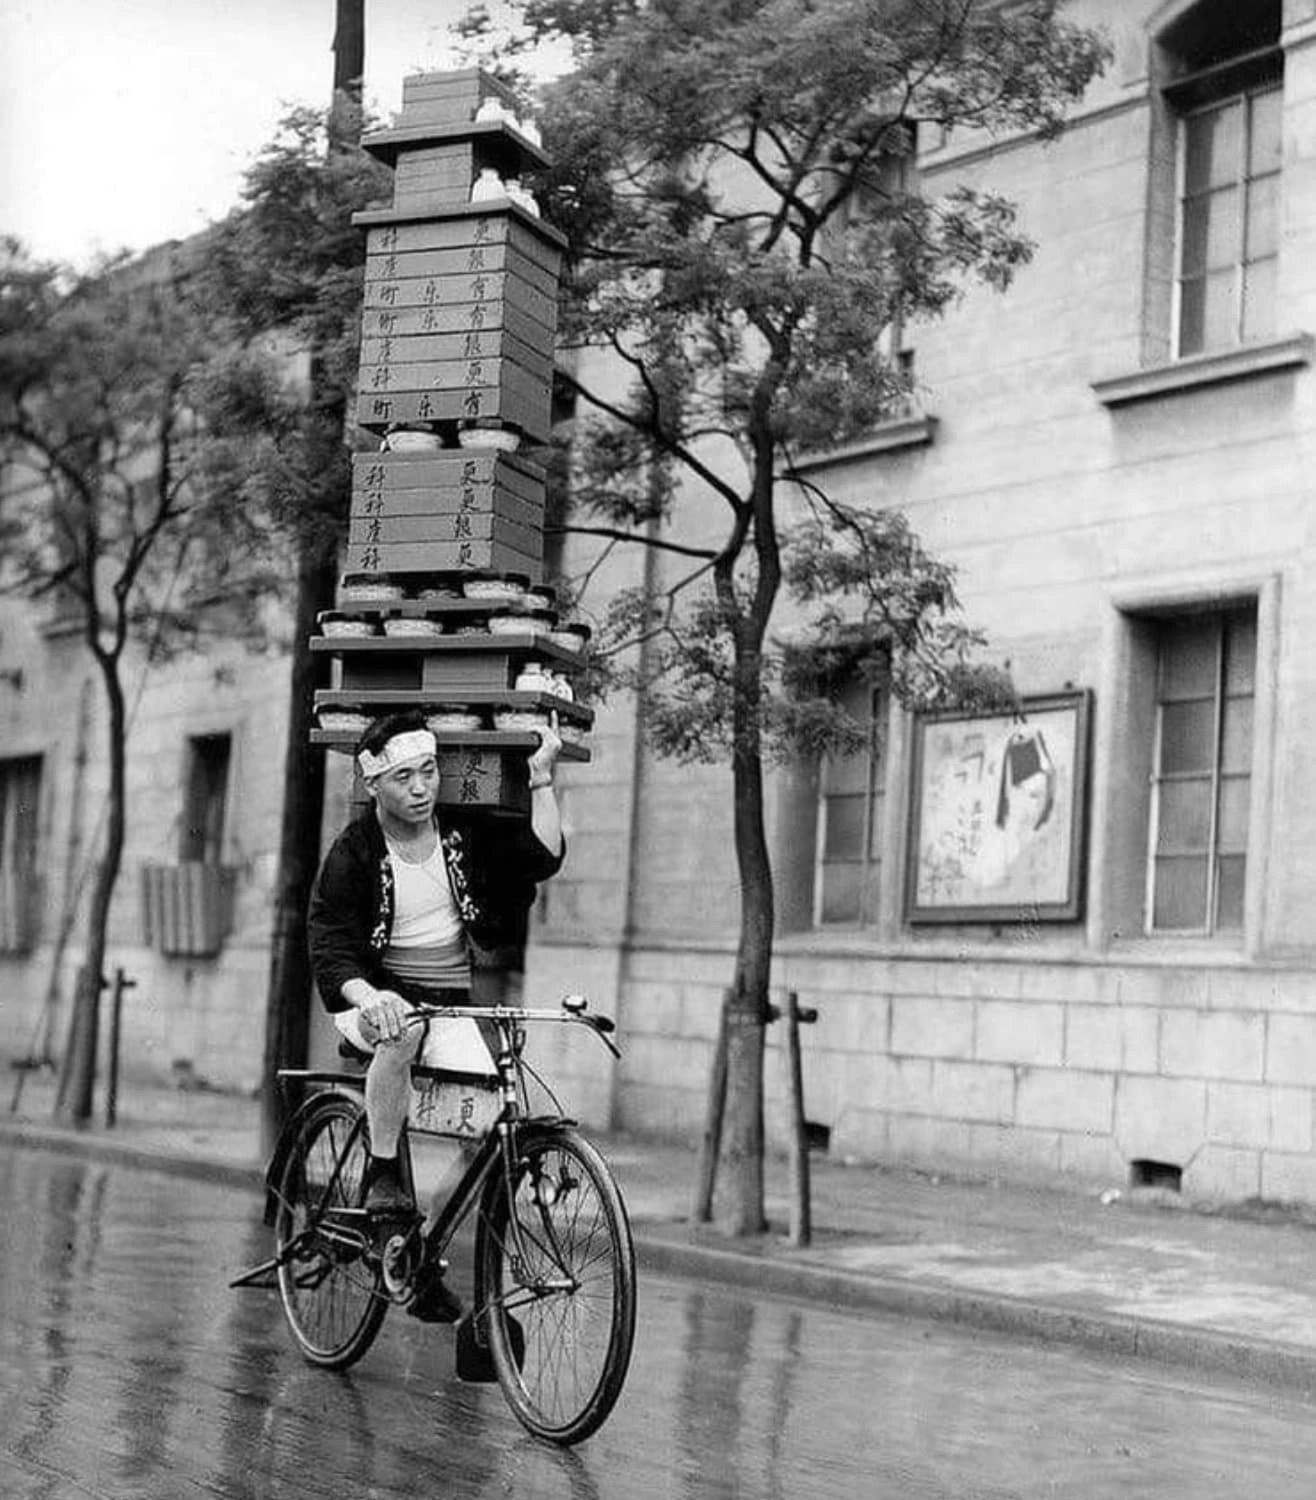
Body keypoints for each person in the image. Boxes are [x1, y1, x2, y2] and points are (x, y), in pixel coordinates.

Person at [307, 708, 564, 1314]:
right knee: (397, 1034)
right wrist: (371, 997)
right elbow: (330, 942)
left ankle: (416, 1252)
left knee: (489, 1132)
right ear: (374, 785)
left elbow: (540, 858)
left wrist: (543, 778)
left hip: (445, 1006)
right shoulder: (355, 851)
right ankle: (386, 1180)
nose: (421, 788)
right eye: (404, 778)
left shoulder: (460, 835)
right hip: (371, 998)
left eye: (429, 772)